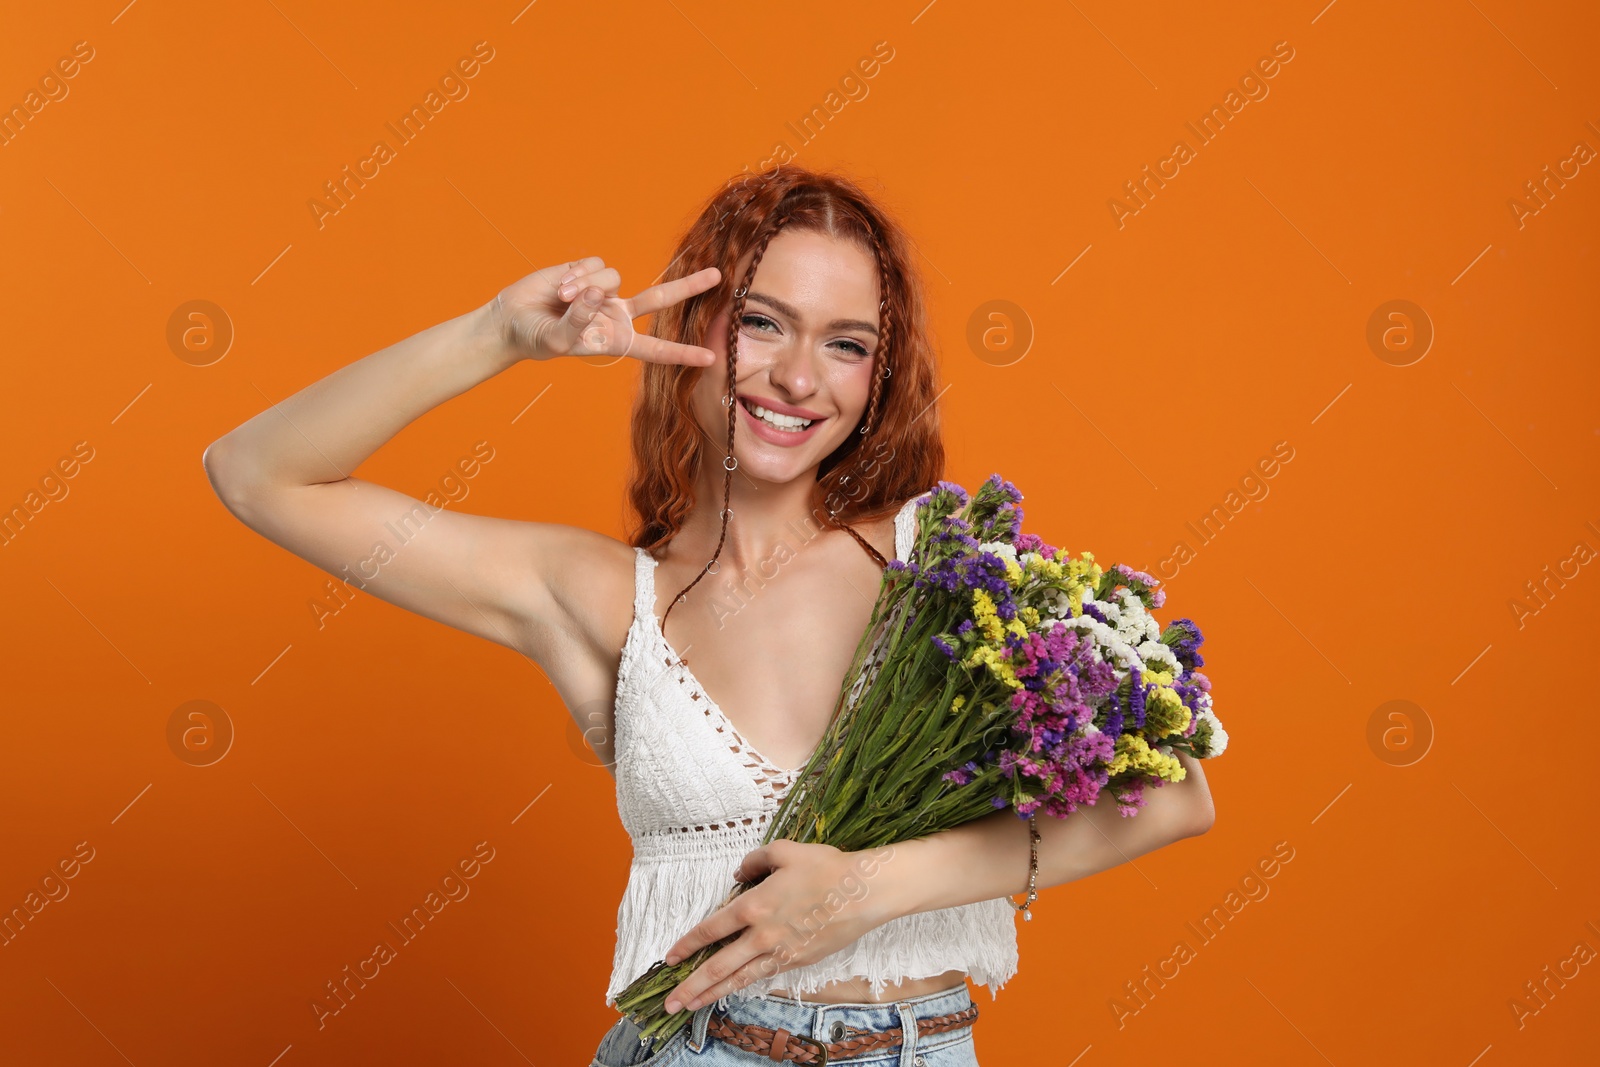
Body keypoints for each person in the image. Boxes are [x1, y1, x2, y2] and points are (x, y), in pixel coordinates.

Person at [203, 165, 1215, 1065]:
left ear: (879, 374)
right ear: (693, 328)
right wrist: (498, 335)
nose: (797, 378)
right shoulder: (599, 594)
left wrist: (863, 890)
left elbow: (1175, 797)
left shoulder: (945, 571)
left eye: (846, 343)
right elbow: (256, 476)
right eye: (763, 321)